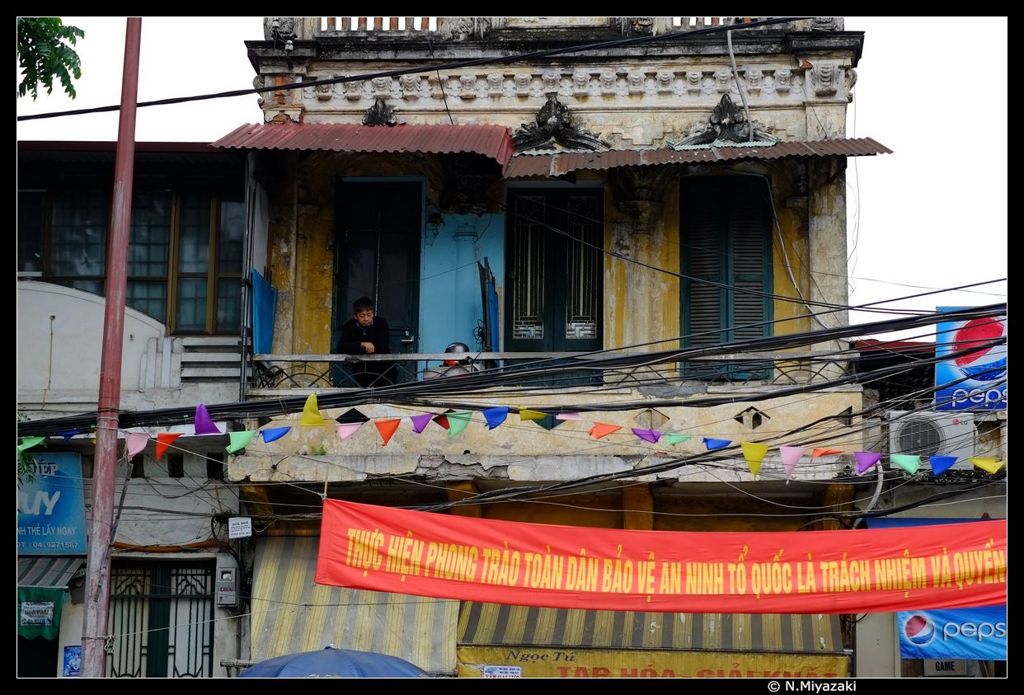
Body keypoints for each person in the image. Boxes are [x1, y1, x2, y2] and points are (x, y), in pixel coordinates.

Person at [336, 297, 395, 387]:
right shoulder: (349, 326)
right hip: (360, 370)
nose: (366, 318)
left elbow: (383, 346)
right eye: (362, 316)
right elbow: (341, 347)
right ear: (356, 316)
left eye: (369, 315)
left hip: (383, 369)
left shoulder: (381, 323)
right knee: (362, 397)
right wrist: (362, 344)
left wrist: (357, 347)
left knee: (384, 397)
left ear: (373, 314)